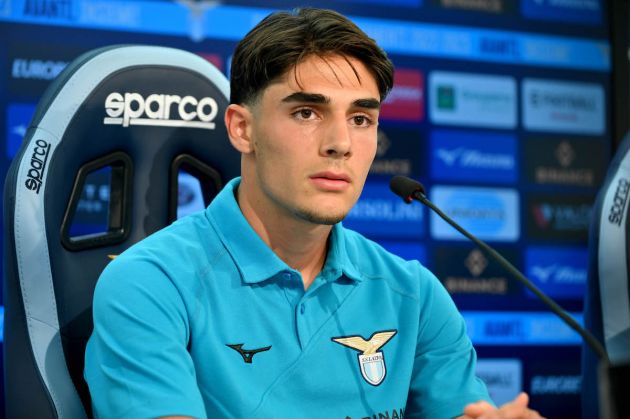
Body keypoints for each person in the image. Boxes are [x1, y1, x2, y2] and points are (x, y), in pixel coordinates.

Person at [85, 7, 543, 419]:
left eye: (361, 119)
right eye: (307, 113)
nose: (340, 143)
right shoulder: (148, 283)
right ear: (243, 129)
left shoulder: (414, 294)